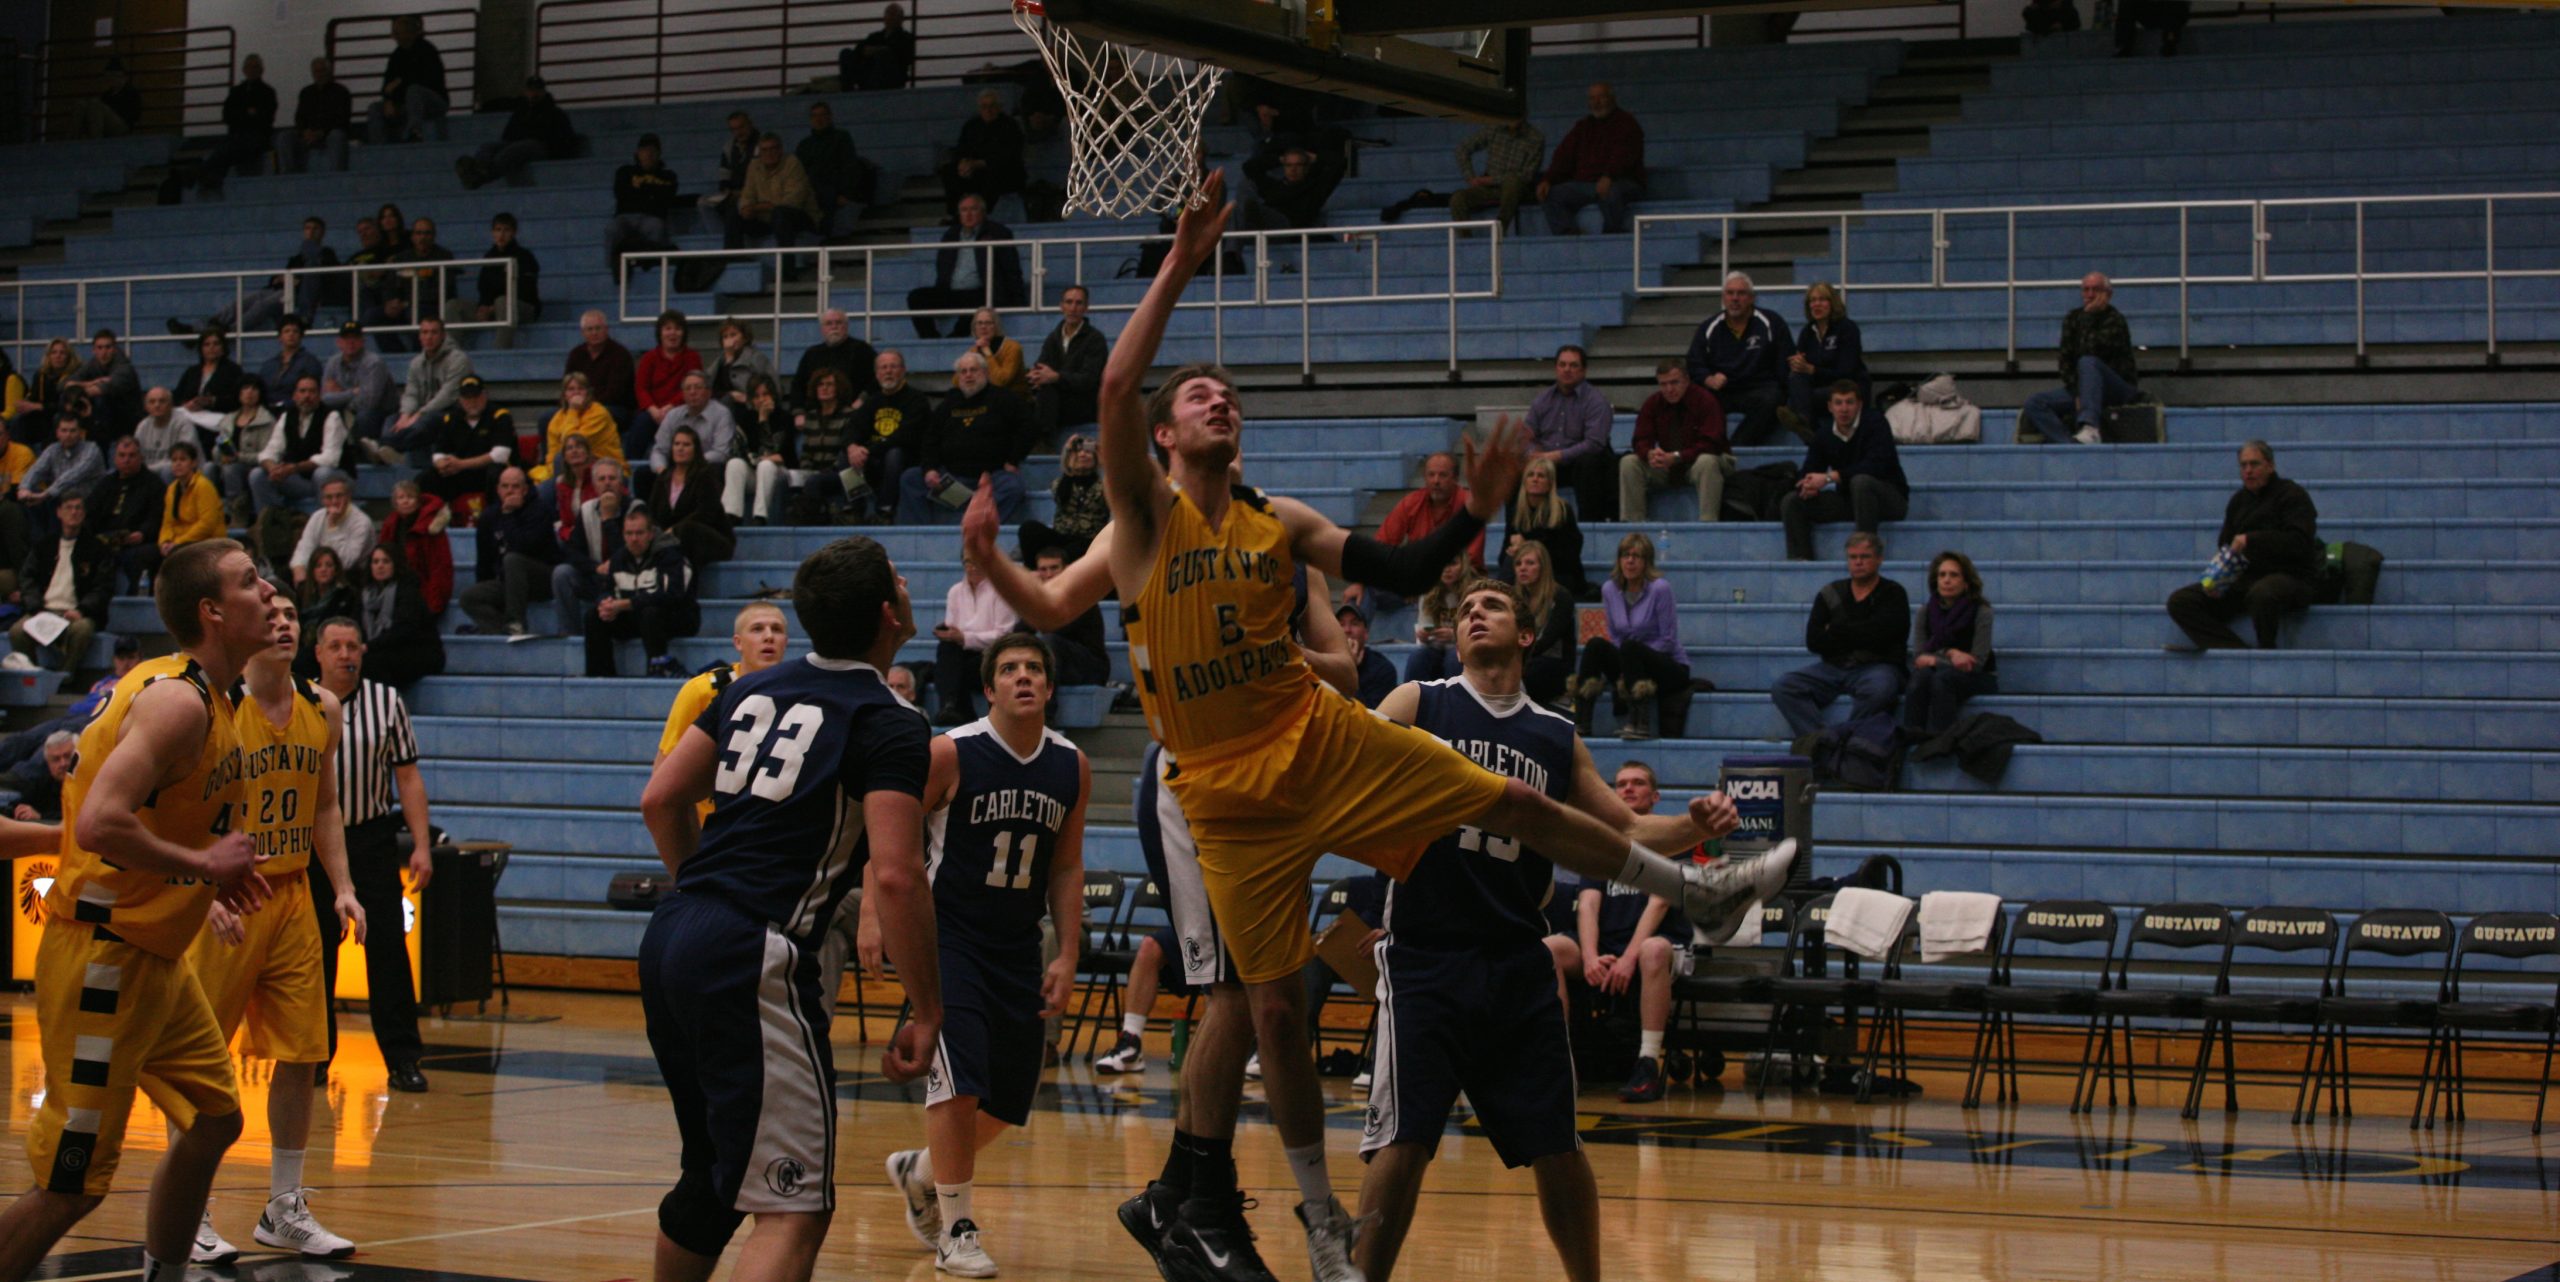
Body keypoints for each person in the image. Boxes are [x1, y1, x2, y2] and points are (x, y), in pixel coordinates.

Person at [1091, 174, 1780, 1282]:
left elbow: (1407, 568)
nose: (1219, 403)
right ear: (1164, 434)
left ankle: (1698, 889)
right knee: (1273, 1014)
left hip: (1321, 744)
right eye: (1199, 396)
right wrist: (1180, 258)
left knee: (1514, 799)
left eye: (1229, 394)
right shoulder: (1141, 519)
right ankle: (1314, 1221)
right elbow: (1117, 380)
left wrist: (1477, 507)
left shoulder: (1283, 525)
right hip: (1223, 793)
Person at [962, 497, 1365, 1282]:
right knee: (1237, 997)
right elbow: (1050, 604)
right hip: (1197, 778)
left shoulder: (1285, 549)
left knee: (1250, 1001)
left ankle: (1178, 1191)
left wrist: (1268, 654)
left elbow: (1346, 671)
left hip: (1280, 778)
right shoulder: (1152, 536)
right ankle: (1199, 1204)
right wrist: (991, 557)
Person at [1357, 580, 1735, 1282]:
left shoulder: (1555, 736)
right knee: (1403, 1142)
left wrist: (1691, 826)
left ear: (1526, 636)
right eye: (1466, 608)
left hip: (1514, 959)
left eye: (1491, 605)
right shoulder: (1420, 703)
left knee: (1558, 1145)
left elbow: (1624, 829)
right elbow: (1346, 772)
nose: (1473, 613)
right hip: (1425, 957)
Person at [636, 535, 940, 1282]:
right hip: (754, 948)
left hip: (675, 932)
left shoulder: (746, 690)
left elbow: (659, 799)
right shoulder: (889, 719)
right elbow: (897, 876)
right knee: (795, 1205)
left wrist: (701, 896)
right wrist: (929, 1008)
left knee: (712, 1178)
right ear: (888, 615)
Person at [0, 540, 269, 1282]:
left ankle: (166, 1275)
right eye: (250, 581)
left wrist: (203, 882)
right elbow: (100, 825)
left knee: (217, 1118)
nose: (270, 590)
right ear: (211, 612)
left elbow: (105, 814)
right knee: (69, 1185)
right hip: (103, 962)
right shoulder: (179, 702)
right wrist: (202, 867)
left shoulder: (206, 694)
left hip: (154, 957)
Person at [876, 634, 1088, 1279]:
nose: (1022, 677)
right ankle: (956, 1227)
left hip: (1018, 942)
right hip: (950, 939)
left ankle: (919, 1171)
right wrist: (872, 916)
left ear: (1049, 688)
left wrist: (1068, 952)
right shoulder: (950, 751)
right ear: (989, 687)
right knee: (959, 1079)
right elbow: (893, 841)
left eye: (1033, 669)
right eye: (1008, 669)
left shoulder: (1071, 765)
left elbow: (1068, 864)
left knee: (1008, 1100)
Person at [181, 594, 364, 1264]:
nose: (284, 622)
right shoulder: (212, 711)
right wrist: (201, 891)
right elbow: (182, 817)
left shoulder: (325, 710)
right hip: (229, 896)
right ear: (242, 626)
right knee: (202, 1062)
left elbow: (327, 806)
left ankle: (283, 1207)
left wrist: (342, 888)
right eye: (272, 613)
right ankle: (188, 1210)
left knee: (302, 1053)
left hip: (291, 895)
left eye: (292, 613)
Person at [306, 616, 434, 1092]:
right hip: (314, 844)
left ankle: (403, 1058)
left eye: (353, 646)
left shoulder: (387, 701)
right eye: (336, 646)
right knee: (316, 952)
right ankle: (315, 1058)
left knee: (388, 952)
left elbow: (408, 777)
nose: (346, 655)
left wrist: (421, 845)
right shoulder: (303, 702)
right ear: (318, 653)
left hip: (372, 838)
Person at [1577, 761, 1699, 1106]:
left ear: (1655, 795)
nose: (1628, 789)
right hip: (1608, 947)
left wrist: (1629, 958)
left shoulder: (1673, 839)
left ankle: (1648, 1062)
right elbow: (1587, 904)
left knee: (1652, 950)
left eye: (1638, 783)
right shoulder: (1601, 840)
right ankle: (1560, 1060)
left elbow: (1659, 903)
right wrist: (1589, 957)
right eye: (1621, 784)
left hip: (1662, 948)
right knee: (1553, 948)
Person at [2165, 440, 2320, 652]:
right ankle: (2235, 651)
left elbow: (2299, 542)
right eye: (2243, 465)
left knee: (2263, 593)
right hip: (2245, 578)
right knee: (2181, 601)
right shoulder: (2238, 501)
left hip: (2291, 576)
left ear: (2270, 466)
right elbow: (2226, 546)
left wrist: (2252, 539)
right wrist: (2218, 580)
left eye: (2254, 464)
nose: (2248, 471)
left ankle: (2267, 653)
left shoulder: (2292, 495)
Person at [1772, 532, 1910, 739]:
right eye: (1853, 557)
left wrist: (1836, 630)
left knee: (1881, 689)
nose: (1858, 562)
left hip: (1877, 665)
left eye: (1865, 557)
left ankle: (1851, 740)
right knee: (1784, 686)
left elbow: (1887, 636)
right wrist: (1865, 630)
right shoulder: (1831, 592)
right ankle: (1823, 741)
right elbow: (1814, 641)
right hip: (1833, 667)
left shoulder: (1893, 593)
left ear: (1879, 559)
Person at [1572, 533, 1690, 741]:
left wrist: (1633, 657)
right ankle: (1581, 720)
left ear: (1647, 562)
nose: (1630, 561)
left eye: (1637, 556)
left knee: (1630, 647)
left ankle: (1639, 722)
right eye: (1625, 555)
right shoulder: (1610, 589)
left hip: (1668, 665)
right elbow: (1615, 634)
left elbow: (1668, 639)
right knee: (1595, 645)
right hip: (1631, 660)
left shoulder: (1660, 588)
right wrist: (1628, 663)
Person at [1782, 381, 1910, 562]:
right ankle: (1800, 561)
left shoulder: (1876, 423)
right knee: (1793, 500)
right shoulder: (1824, 434)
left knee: (1861, 482)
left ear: (1859, 404)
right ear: (1830, 407)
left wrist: (1830, 477)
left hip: (1889, 499)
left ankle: (1865, 554)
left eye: (1849, 402)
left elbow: (1877, 465)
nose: (1844, 409)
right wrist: (1808, 483)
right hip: (1850, 501)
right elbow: (1811, 468)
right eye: (1838, 403)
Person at [901, 352, 1032, 524]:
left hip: (991, 478)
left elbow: (1029, 427)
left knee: (1014, 487)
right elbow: (930, 439)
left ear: (985, 373)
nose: (968, 375)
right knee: (910, 479)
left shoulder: (1003, 398)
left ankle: (979, 526)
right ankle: (924, 535)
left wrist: (1013, 460)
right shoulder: (948, 404)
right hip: (952, 480)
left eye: (973, 370)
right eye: (963, 372)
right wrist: (929, 468)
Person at [2022, 272, 2141, 446]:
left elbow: (2093, 349)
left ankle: (2090, 427)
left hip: (2117, 387)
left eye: (2096, 290)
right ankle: (2069, 445)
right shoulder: (2072, 319)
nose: (2090, 295)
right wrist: (2078, 391)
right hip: (2084, 391)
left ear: (2108, 294)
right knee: (2035, 403)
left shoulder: (2115, 320)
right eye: (2086, 290)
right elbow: (2065, 361)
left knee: (2088, 362)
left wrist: (2089, 317)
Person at [1684, 271, 1800, 446]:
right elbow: (1694, 363)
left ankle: (1737, 446)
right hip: (1723, 391)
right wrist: (1708, 379)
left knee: (1774, 398)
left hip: (1759, 390)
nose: (1735, 298)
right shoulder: (1709, 328)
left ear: (1752, 298)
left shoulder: (1772, 323)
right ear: (1723, 298)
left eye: (1741, 293)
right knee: (1696, 398)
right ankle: (1707, 447)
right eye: (1730, 293)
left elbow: (1785, 362)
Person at [587, 508, 699, 678]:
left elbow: (672, 596)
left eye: (639, 533)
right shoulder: (618, 559)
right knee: (594, 616)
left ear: (651, 533)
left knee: (651, 612)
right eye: (629, 534)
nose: (634, 539)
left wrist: (627, 604)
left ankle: (658, 668)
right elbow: (605, 589)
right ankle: (600, 676)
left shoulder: (670, 554)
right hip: (638, 618)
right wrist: (605, 603)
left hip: (676, 617)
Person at [8, 493, 112, 671]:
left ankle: (66, 673)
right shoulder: (44, 545)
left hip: (75, 613)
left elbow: (103, 587)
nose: (74, 512)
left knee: (82, 630)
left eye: (78, 508)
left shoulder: (97, 549)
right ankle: (33, 671)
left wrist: (82, 610)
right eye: (68, 508)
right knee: (17, 631)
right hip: (43, 610)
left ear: (84, 513)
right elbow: (28, 578)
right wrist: (35, 608)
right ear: (59, 513)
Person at [1621, 360, 1731, 524]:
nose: (1669, 389)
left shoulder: (1706, 400)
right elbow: (1640, 439)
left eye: (1674, 383)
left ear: (1686, 380)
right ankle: (1633, 527)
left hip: (1701, 462)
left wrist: (1678, 456)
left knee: (1707, 461)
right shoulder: (1653, 403)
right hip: (1669, 464)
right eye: (1663, 384)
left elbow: (1712, 443)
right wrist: (1649, 453)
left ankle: (1709, 523)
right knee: (1629, 462)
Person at [456, 467, 559, 640]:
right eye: (505, 486)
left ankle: (515, 623)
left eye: (515, 486)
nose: (509, 491)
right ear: (498, 489)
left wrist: (509, 515)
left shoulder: (539, 510)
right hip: (510, 582)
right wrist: (484, 586)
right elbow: (484, 560)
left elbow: (523, 546)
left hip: (542, 578)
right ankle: (501, 631)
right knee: (469, 597)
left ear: (525, 489)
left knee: (512, 560)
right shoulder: (489, 515)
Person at [1904, 551, 1997, 738]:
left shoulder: (1981, 612)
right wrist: (1951, 653)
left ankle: (1942, 741)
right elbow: (1919, 658)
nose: (1947, 580)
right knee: (1919, 679)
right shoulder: (1925, 612)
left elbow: (1976, 663)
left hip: (1979, 677)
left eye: (1954, 575)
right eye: (1942, 575)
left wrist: (1935, 659)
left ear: (1966, 582)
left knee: (1942, 680)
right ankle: (1911, 739)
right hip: (1941, 672)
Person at [909, 195, 1026, 338]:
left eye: (973, 209)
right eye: (964, 210)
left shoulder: (998, 233)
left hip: (980, 292)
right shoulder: (951, 234)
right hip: (951, 292)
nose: (968, 214)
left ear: (983, 212)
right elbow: (942, 267)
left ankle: (956, 337)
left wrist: (1019, 300)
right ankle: (930, 338)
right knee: (916, 297)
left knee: (981, 301)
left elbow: (1011, 269)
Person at [1536, 83, 1644, 236]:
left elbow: (1625, 155)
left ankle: (1612, 235)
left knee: (1611, 192)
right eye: (1592, 98)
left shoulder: (1627, 123)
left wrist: (1609, 176)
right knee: (1552, 195)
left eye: (1601, 97)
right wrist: (1548, 179)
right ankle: (1569, 235)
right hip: (1587, 184)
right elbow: (1564, 155)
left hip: (1622, 181)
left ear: (1612, 99)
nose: (1597, 102)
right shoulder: (1583, 126)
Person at [1524, 345, 1616, 523]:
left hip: (1580, 464)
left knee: (1590, 462)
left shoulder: (1596, 401)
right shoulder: (1541, 400)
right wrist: (1533, 454)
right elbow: (1527, 436)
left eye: (1573, 365)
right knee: (1514, 469)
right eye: (1562, 364)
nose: (1567, 370)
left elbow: (1594, 444)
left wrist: (1556, 456)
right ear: (1556, 368)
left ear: (1584, 370)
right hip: (1549, 465)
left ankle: (1589, 526)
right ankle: (1518, 530)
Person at [932, 554, 1020, 726]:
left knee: (953, 670)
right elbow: (953, 628)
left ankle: (956, 709)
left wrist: (966, 637)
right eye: (968, 562)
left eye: (977, 562)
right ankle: (949, 706)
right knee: (947, 648)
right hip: (962, 652)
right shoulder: (955, 591)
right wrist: (952, 634)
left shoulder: (1001, 590)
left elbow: (1004, 636)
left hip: (992, 655)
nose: (972, 567)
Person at [845, 350, 929, 517]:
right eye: (883, 368)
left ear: (903, 371)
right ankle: (856, 508)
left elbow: (905, 436)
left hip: (906, 457)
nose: (888, 371)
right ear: (877, 374)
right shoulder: (872, 401)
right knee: (847, 455)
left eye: (893, 367)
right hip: (874, 456)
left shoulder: (917, 400)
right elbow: (852, 427)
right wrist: (852, 446)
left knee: (894, 453)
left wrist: (868, 451)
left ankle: (885, 508)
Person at [455, 76, 576, 189]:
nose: (534, 93)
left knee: (515, 149)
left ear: (543, 92)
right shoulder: (520, 112)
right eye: (531, 90)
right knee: (487, 147)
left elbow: (563, 140)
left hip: (542, 147)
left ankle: (480, 176)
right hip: (520, 143)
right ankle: (478, 168)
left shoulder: (555, 113)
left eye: (537, 90)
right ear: (526, 92)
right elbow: (507, 135)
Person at [380, 316, 473, 463]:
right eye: (424, 332)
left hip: (452, 412)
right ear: (419, 336)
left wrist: (418, 414)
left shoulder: (458, 359)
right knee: (392, 419)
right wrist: (405, 415)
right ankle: (388, 448)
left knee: (427, 420)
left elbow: (448, 395)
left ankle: (393, 449)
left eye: (434, 332)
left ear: (443, 335)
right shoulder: (416, 362)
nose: (429, 337)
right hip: (422, 411)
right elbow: (411, 393)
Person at [259, 374, 354, 515]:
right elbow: (270, 451)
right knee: (258, 475)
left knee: (322, 473)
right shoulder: (287, 417)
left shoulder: (332, 416)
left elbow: (330, 458)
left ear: (319, 395)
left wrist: (294, 468)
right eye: (302, 391)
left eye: (312, 391)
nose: (307, 396)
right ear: (294, 395)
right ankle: (274, 522)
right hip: (301, 480)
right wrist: (273, 468)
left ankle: (326, 521)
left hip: (336, 478)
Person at [1501, 457, 1591, 603]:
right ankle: (1501, 605)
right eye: (1531, 475)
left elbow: (1569, 557)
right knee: (1510, 560)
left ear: (1550, 483)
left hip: (1557, 573)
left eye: (1541, 476)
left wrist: (1528, 547)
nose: (1535, 479)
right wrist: (1513, 550)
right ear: (1524, 481)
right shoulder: (1515, 511)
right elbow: (1502, 556)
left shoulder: (1562, 511)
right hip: (1525, 575)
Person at [648, 424, 738, 570]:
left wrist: (675, 529)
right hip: (672, 539)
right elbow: (653, 512)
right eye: (676, 444)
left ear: (695, 449)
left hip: (709, 538)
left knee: (686, 530)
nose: (680, 448)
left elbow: (706, 513)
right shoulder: (663, 478)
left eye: (686, 445)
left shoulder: (705, 475)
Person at [422, 375, 515, 514]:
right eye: (467, 398)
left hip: (487, 472)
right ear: (460, 400)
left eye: (476, 397)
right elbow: (439, 451)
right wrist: (441, 463)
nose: (472, 402)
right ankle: (432, 519)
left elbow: (501, 455)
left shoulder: (499, 416)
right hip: (462, 474)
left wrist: (461, 464)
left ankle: (497, 516)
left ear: (484, 395)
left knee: (497, 472)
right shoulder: (451, 418)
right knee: (427, 477)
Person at [1027, 284, 1109, 440]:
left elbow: (1088, 380)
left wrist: (1057, 377)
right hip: (1057, 399)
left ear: (1086, 308)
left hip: (1083, 402)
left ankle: (1044, 440)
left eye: (1078, 303)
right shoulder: (1054, 337)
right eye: (1069, 302)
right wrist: (1035, 376)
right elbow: (1042, 365)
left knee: (1047, 392)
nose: (1073, 308)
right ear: (1061, 306)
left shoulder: (1095, 339)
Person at [354, 546, 444, 687]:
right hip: (383, 650)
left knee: (371, 663)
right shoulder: (365, 594)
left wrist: (368, 647)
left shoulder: (408, 591)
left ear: (395, 564)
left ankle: (387, 705)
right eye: (375, 562)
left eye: (386, 561)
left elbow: (404, 631)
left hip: (418, 651)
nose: (380, 566)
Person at [89, 437, 167, 592]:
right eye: (122, 455)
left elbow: (157, 516)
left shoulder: (153, 484)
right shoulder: (105, 483)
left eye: (132, 455)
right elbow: (90, 513)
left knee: (147, 554)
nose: (126, 460)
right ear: (114, 458)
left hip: (136, 542)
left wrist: (143, 533)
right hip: (106, 540)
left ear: (140, 458)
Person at [1016, 431, 1104, 566]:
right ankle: (1036, 573)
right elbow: (1062, 496)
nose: (1082, 454)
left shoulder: (1104, 485)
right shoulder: (1061, 483)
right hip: (1061, 537)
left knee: (1078, 550)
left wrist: (1104, 459)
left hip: (1088, 541)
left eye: (1088, 452)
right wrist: (1067, 453)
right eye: (1077, 452)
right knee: (1029, 529)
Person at [196, 55, 279, 197]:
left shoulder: (267, 92)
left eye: (255, 67)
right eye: (249, 67)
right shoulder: (236, 91)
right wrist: (249, 114)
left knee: (228, 149)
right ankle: (210, 179)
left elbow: (265, 118)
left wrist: (241, 115)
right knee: (229, 147)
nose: (252, 70)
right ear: (244, 70)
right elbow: (227, 116)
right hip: (238, 137)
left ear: (261, 70)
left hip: (257, 138)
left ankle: (203, 174)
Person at [1787, 282, 1867, 429]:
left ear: (1833, 303)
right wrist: (1797, 364)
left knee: (1800, 401)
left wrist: (1813, 370)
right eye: (1812, 300)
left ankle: (1808, 428)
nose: (1816, 304)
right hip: (1819, 386)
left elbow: (1847, 372)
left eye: (1822, 300)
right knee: (1795, 378)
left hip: (1848, 385)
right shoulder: (1807, 332)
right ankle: (1808, 427)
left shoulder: (1847, 328)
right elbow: (1803, 365)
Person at [1027, 546, 1108, 688]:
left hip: (1090, 667)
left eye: (1054, 568)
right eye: (1043, 570)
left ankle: (1046, 707)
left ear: (1067, 570)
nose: (1049, 574)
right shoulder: (1041, 599)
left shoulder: (1081, 596)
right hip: (1060, 662)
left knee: (1050, 641)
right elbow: (1020, 631)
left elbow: (1055, 627)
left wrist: (1038, 595)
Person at [1510, 540, 1578, 707]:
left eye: (1530, 563)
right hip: (1524, 660)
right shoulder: (1514, 599)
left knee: (1521, 671)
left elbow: (1548, 640)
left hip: (1554, 664)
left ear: (1543, 567)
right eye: (1518, 563)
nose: (1522, 568)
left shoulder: (1561, 597)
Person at [939, 90, 1027, 218]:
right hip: (974, 170)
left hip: (1002, 171)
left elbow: (1010, 155)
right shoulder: (971, 126)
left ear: (999, 107)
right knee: (949, 171)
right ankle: (955, 215)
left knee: (994, 173)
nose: (988, 110)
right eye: (984, 106)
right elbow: (961, 148)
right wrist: (962, 163)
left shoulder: (1010, 126)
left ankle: (985, 213)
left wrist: (980, 164)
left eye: (992, 106)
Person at [1449, 117, 1545, 233]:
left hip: (1518, 189)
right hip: (1490, 188)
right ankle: (1466, 244)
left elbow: (1527, 175)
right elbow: (1462, 149)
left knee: (1512, 182)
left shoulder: (1535, 138)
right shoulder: (1494, 129)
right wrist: (1471, 177)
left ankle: (1499, 229)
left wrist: (1491, 180)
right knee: (1458, 199)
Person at [19, 414, 107, 540]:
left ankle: (52, 543)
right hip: (60, 501)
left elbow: (73, 475)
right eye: (64, 430)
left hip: (89, 503)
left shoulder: (92, 449)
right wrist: (24, 489)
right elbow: (36, 470)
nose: (68, 435)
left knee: (53, 501)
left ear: (80, 433)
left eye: (72, 431)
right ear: (57, 433)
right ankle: (41, 546)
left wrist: (47, 493)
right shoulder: (52, 450)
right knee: (30, 501)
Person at [795, 100, 875, 236]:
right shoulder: (804, 145)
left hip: (834, 191)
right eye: (815, 116)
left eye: (822, 115)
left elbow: (849, 167)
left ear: (830, 117)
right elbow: (799, 173)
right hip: (812, 191)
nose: (819, 119)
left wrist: (845, 194)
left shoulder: (842, 138)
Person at [368, 15, 450, 144]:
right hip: (406, 104)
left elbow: (426, 82)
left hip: (433, 103)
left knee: (414, 91)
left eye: (396, 32)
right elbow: (387, 86)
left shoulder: (427, 51)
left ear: (409, 33)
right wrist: (389, 99)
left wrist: (397, 86)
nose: (393, 36)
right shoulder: (396, 56)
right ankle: (377, 146)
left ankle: (415, 132)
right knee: (375, 108)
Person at [731, 132, 820, 250]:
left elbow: (793, 201)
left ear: (781, 150)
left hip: (799, 218)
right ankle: (733, 260)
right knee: (734, 212)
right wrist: (746, 208)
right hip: (766, 219)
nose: (769, 153)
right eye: (765, 150)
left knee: (781, 213)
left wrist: (759, 207)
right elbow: (748, 194)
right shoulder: (754, 165)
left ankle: (786, 265)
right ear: (760, 152)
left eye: (773, 148)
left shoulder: (792, 163)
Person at [608, 135, 683, 275]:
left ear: (658, 153)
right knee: (613, 229)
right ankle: (615, 270)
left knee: (656, 226)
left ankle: (649, 267)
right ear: (637, 153)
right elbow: (621, 193)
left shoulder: (668, 175)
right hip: (625, 216)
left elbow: (666, 198)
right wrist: (651, 192)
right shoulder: (625, 172)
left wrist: (640, 190)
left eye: (652, 151)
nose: (648, 154)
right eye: (644, 150)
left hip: (652, 217)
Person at [153, 443, 225, 584]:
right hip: (181, 542)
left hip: (207, 542)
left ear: (193, 463)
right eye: (174, 460)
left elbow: (207, 524)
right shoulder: (172, 489)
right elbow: (168, 522)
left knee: (179, 555)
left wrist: (178, 543)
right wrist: (165, 542)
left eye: (183, 459)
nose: (177, 464)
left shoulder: (203, 486)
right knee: (150, 554)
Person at [377, 480, 453, 612]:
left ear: (418, 501)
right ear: (395, 503)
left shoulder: (431, 528)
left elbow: (439, 568)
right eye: (401, 497)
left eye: (410, 497)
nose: (406, 501)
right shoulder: (390, 525)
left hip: (421, 593)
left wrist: (433, 605)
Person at [651, 371, 744, 479]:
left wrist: (691, 462)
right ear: (683, 393)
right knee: (643, 474)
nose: (692, 392)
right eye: (688, 388)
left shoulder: (721, 414)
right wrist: (662, 470)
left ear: (709, 392)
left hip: (705, 466)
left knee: (715, 470)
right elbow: (659, 450)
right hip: (677, 467)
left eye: (698, 387)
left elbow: (721, 453)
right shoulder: (673, 415)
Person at [567, 310, 641, 438]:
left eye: (598, 328)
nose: (594, 333)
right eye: (589, 329)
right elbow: (567, 385)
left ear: (606, 329)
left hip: (614, 407)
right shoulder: (576, 354)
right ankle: (554, 458)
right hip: (579, 405)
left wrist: (586, 404)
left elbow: (615, 394)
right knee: (547, 418)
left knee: (598, 416)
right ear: (583, 333)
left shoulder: (621, 355)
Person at [319, 322, 396, 445]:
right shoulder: (332, 362)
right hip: (348, 409)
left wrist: (340, 394)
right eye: (346, 339)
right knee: (325, 411)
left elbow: (369, 402)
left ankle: (362, 457)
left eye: (355, 338)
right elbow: (324, 398)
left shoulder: (374, 363)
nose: (351, 342)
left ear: (362, 341)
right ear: (339, 342)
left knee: (364, 416)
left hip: (381, 412)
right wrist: (353, 392)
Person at [1236, 146, 1342, 234]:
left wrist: (1315, 158)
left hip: (1289, 230)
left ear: (1306, 167)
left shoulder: (1314, 189)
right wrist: (1279, 159)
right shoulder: (1273, 186)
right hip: (1265, 228)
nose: (1293, 169)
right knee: (1237, 209)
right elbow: (1248, 167)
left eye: (1298, 165)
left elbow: (1340, 164)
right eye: (1288, 165)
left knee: (1250, 207)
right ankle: (1231, 253)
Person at [289, 478, 372, 588]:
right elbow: (305, 546)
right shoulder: (317, 517)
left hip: (353, 574)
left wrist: (333, 527)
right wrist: (298, 566)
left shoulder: (361, 522)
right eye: (329, 497)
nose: (334, 501)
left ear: (348, 497)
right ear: (322, 500)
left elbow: (346, 562)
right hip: (324, 569)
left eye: (339, 496)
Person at [791, 309, 880, 411]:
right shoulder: (812, 354)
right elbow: (798, 385)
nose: (834, 327)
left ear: (846, 326)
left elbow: (878, 378)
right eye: (829, 323)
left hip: (854, 412)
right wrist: (798, 411)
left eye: (838, 322)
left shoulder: (862, 350)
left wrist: (862, 399)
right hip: (817, 415)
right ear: (822, 329)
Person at [1401, 556, 1470, 684]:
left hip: (1462, 647)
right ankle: (1413, 701)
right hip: (1436, 647)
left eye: (1452, 564)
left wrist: (1454, 635)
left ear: (1463, 565)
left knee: (1454, 658)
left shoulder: (1472, 592)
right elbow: (1425, 628)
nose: (1447, 570)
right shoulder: (1428, 591)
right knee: (1417, 657)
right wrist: (1424, 635)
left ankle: (1456, 702)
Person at [544, 371, 624, 481]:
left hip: (605, 470)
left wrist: (573, 410)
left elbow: (573, 443)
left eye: (581, 389)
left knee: (560, 458)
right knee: (543, 491)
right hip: (569, 471)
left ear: (588, 393)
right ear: (564, 394)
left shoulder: (599, 413)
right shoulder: (556, 419)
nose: (576, 393)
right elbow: (551, 454)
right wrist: (551, 475)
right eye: (571, 389)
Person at [637, 310, 703, 442]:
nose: (672, 333)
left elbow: (694, 387)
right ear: (660, 333)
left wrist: (671, 406)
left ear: (683, 333)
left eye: (677, 329)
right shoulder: (648, 358)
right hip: (653, 411)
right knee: (641, 422)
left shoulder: (693, 357)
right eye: (668, 329)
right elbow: (641, 388)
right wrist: (653, 409)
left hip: (682, 408)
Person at [277, 57, 352, 173]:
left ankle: (337, 176)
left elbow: (342, 119)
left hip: (329, 135)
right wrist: (304, 131)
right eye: (316, 71)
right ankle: (289, 176)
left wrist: (322, 132)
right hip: (308, 135)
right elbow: (299, 117)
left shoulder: (341, 92)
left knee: (337, 136)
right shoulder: (306, 93)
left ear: (329, 71)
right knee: (284, 137)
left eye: (322, 70)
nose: (319, 74)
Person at [472, 212, 543, 331]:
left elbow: (527, 291)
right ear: (492, 233)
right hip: (492, 309)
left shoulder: (525, 257)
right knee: (455, 306)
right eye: (498, 230)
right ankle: (449, 349)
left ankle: (501, 349)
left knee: (503, 302)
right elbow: (483, 287)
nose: (501, 235)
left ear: (514, 233)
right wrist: (483, 306)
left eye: (506, 230)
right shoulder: (488, 257)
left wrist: (493, 307)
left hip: (523, 308)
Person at [71, 329, 143, 439]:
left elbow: (101, 389)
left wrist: (77, 390)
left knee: (100, 399)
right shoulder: (92, 364)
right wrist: (91, 382)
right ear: (93, 350)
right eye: (99, 348)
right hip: (105, 421)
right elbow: (64, 384)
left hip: (126, 421)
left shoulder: (125, 368)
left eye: (108, 347)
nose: (103, 352)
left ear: (114, 349)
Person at [173, 330, 246, 420]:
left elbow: (239, 399)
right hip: (191, 419)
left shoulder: (233, 370)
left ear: (223, 347)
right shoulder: (192, 371)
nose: (211, 347)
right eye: (206, 344)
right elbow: (177, 395)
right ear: (201, 349)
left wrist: (211, 401)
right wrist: (185, 404)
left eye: (216, 344)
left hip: (221, 420)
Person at [841, 4, 917, 90]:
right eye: (888, 14)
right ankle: (848, 90)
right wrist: (865, 50)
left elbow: (902, 55)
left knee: (884, 54)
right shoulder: (875, 36)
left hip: (892, 79)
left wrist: (876, 50)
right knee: (846, 53)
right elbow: (859, 48)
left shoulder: (906, 37)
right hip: (868, 74)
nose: (890, 17)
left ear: (901, 19)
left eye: (893, 14)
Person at [4, 731, 75, 822]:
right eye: (56, 759)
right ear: (48, 763)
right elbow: (16, 806)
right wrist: (20, 811)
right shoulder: (42, 783)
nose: (63, 763)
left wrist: (41, 816)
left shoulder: (91, 784)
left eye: (68, 756)